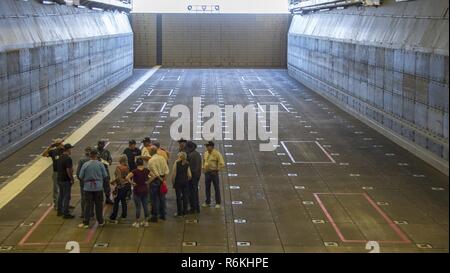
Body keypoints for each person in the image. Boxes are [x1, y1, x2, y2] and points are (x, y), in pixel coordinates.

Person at [78, 149, 108, 228]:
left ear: (90, 155)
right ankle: (100, 221)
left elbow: (80, 176)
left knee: (88, 205)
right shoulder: (100, 164)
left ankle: (86, 223)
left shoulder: (85, 164)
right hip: (98, 187)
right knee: (99, 205)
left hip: (88, 188)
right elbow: (105, 175)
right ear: (96, 155)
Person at [126, 158, 150, 227]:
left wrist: (132, 183)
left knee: (138, 207)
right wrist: (148, 182)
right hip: (145, 190)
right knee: (145, 206)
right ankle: (146, 222)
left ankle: (137, 222)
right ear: (143, 163)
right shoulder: (146, 170)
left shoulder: (134, 171)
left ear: (136, 163)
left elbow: (127, 177)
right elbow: (154, 175)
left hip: (137, 190)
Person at [148, 146, 169, 222]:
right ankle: (163, 215)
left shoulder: (151, 160)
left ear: (151, 152)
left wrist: (160, 180)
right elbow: (167, 170)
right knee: (162, 198)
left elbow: (155, 173)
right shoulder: (162, 158)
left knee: (154, 199)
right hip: (163, 178)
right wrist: (164, 180)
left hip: (155, 181)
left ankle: (154, 216)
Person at [42, 138, 64, 209]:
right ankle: (57, 204)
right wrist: (50, 147)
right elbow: (44, 154)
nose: (62, 144)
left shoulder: (64, 150)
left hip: (63, 172)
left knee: (64, 188)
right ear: (57, 144)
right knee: (56, 189)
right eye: (61, 143)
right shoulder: (53, 151)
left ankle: (64, 203)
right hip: (56, 172)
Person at [202, 141, 225, 209]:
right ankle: (207, 202)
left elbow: (222, 163)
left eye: (208, 146)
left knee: (216, 188)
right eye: (206, 146)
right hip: (207, 173)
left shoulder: (217, 153)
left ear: (212, 146)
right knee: (207, 188)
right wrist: (203, 168)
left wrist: (217, 169)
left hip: (214, 173)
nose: (207, 147)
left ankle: (218, 202)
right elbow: (204, 161)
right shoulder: (205, 153)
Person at [56, 143, 76, 218]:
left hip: (59, 179)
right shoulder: (68, 159)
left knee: (61, 195)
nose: (71, 150)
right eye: (71, 149)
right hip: (65, 180)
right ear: (68, 149)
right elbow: (68, 170)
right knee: (67, 196)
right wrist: (72, 179)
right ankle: (66, 213)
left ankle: (59, 211)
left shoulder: (60, 157)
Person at [109, 155, 130, 223]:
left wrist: (114, 182)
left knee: (116, 201)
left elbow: (119, 177)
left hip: (121, 186)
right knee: (123, 201)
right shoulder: (127, 167)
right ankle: (124, 215)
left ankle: (113, 216)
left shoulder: (118, 167)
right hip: (126, 185)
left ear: (120, 160)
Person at [172, 152, 192, 217]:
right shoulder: (187, 163)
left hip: (178, 182)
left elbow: (174, 174)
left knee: (178, 198)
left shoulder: (176, 163)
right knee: (185, 197)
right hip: (185, 182)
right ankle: (185, 212)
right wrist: (186, 179)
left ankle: (179, 212)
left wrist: (173, 182)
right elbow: (189, 175)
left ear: (179, 157)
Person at [76, 146, 92, 219]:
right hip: (92, 183)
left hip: (84, 182)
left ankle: (84, 213)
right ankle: (91, 212)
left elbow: (78, 173)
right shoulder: (94, 160)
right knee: (92, 198)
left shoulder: (82, 160)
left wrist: (81, 180)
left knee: (84, 197)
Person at [186, 141, 202, 214]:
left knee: (191, 193)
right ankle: (197, 207)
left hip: (192, 176)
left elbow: (189, 167)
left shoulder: (190, 155)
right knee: (195, 192)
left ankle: (193, 208)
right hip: (197, 175)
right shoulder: (198, 154)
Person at [97, 140, 113, 204]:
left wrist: (107, 162)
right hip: (97, 171)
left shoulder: (106, 152)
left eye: (102, 144)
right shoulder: (95, 152)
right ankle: (99, 199)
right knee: (98, 186)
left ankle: (107, 198)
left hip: (105, 170)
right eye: (100, 144)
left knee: (107, 186)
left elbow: (110, 161)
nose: (101, 145)